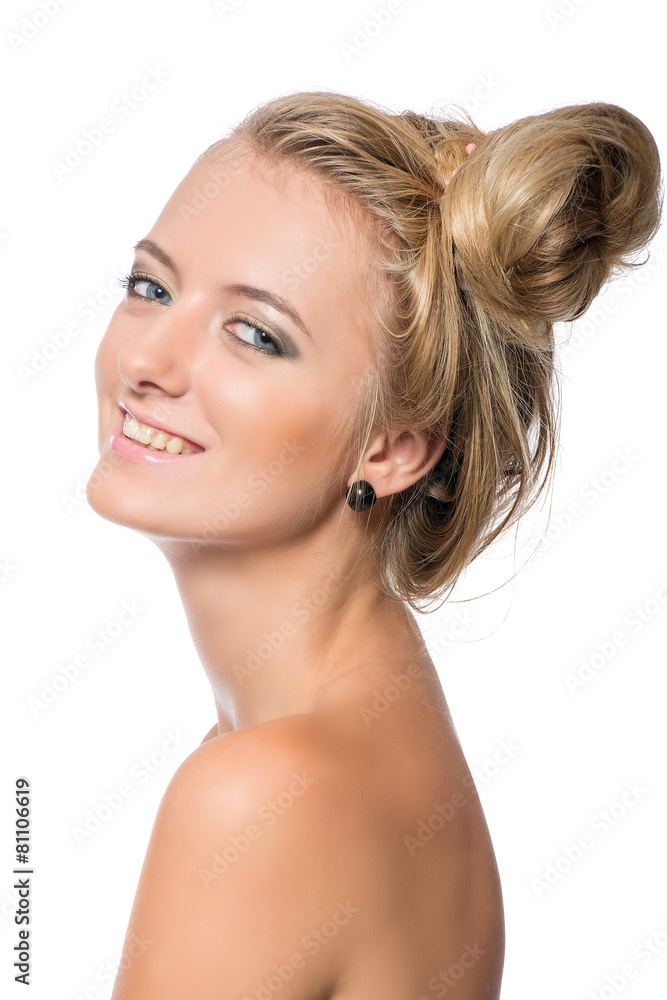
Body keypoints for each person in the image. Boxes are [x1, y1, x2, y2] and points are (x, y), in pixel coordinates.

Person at [86, 90, 662, 999]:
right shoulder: (351, 735)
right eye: (151, 287)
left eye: (254, 334)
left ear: (392, 448)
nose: (144, 361)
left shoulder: (269, 793)